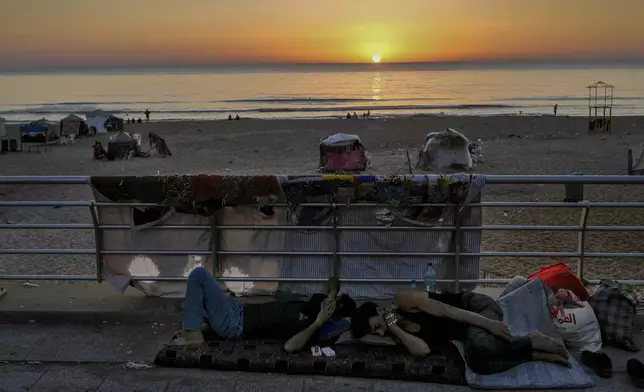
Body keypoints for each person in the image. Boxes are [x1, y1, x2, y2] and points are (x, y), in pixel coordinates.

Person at [350, 288, 570, 375]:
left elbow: (448, 310)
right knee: (479, 363)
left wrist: (488, 323)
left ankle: (532, 341)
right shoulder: (398, 335)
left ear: (381, 310)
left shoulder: (404, 300)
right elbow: (423, 350)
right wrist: (393, 327)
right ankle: (533, 354)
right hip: (469, 332)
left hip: (475, 308)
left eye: (377, 326)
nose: (380, 333)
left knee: (480, 347)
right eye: (375, 332)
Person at [170, 267, 353, 353]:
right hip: (238, 311)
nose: (329, 303)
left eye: (333, 305)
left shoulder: (311, 327)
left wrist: (319, 321)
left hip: (235, 324)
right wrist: (331, 294)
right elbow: (333, 278)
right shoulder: (314, 304)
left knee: (198, 275)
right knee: (189, 303)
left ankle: (194, 334)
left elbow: (289, 347)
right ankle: (203, 326)